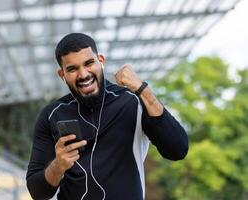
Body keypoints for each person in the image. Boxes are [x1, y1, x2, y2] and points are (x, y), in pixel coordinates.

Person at [26, 33, 188, 200]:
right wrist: (58, 166)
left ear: (101, 61)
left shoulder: (133, 101)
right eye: (72, 69)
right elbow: (37, 192)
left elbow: (177, 150)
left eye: (89, 63)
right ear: (62, 75)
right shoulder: (51, 114)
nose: (83, 75)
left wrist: (142, 89)